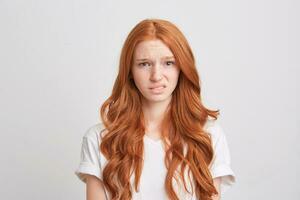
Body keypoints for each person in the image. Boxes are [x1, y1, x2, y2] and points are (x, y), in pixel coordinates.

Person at [75, 18, 236, 200]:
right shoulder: (99, 139)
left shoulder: (209, 137)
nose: (156, 76)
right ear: (130, 71)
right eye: (144, 64)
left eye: (168, 63)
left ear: (182, 68)